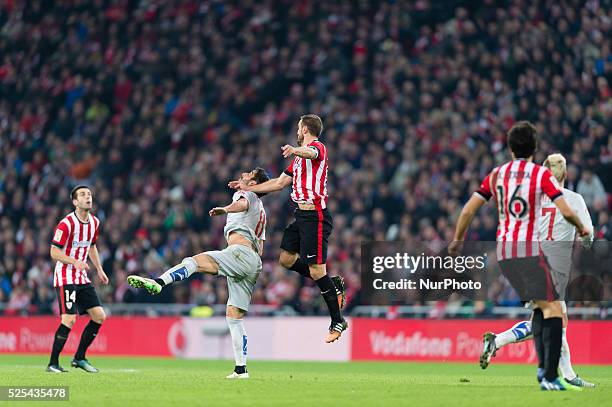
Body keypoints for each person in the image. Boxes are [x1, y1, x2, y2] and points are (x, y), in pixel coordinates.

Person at [449, 122, 590, 391]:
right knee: (555, 311)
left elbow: (468, 210)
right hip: (528, 251)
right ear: (535, 148)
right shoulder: (540, 175)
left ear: (510, 147)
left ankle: (539, 369)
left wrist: (457, 239)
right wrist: (581, 226)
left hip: (505, 253)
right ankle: (549, 376)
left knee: (542, 308)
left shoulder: (496, 175)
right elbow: (565, 209)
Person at [127, 168, 269, 379]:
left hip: (239, 254)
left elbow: (242, 203)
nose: (244, 173)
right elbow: (262, 246)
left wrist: (225, 209)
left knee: (194, 262)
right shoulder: (262, 210)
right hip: (253, 262)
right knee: (234, 316)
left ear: (255, 183)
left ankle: (159, 282)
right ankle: (241, 369)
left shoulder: (247, 194)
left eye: (250, 174)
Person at [229, 114, 347, 343]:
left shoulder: (317, 148)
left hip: (316, 215)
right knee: (286, 259)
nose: (297, 130)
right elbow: (279, 183)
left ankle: (338, 321)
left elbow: (311, 153)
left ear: (304, 129)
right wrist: (248, 188)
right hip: (301, 215)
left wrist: (295, 149)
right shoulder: (297, 161)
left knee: (315, 271)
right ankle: (332, 284)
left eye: (298, 127)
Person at [479, 154, 595, 387]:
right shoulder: (574, 199)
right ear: (565, 174)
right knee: (556, 321)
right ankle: (569, 376)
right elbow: (588, 233)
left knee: (544, 321)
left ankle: (497, 341)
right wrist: (586, 240)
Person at [47, 185, 109, 373]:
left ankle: (79, 358)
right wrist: (75, 261)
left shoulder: (95, 222)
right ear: (75, 202)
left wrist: (99, 269)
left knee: (99, 316)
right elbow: (53, 252)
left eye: (89, 194)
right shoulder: (66, 224)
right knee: (69, 319)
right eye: (83, 195)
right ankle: (53, 363)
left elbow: (92, 246)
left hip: (81, 277)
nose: (88, 197)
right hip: (66, 276)